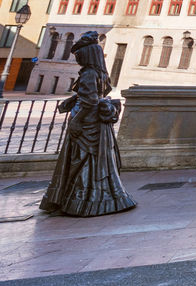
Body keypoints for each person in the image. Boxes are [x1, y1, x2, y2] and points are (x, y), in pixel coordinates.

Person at [40, 31, 136, 217]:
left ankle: (83, 200)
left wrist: (76, 120)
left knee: (81, 159)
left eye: (79, 54)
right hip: (96, 124)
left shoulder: (88, 74)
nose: (77, 57)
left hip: (86, 123)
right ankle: (97, 198)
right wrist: (75, 99)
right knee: (92, 160)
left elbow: (90, 101)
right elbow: (94, 96)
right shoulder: (100, 73)